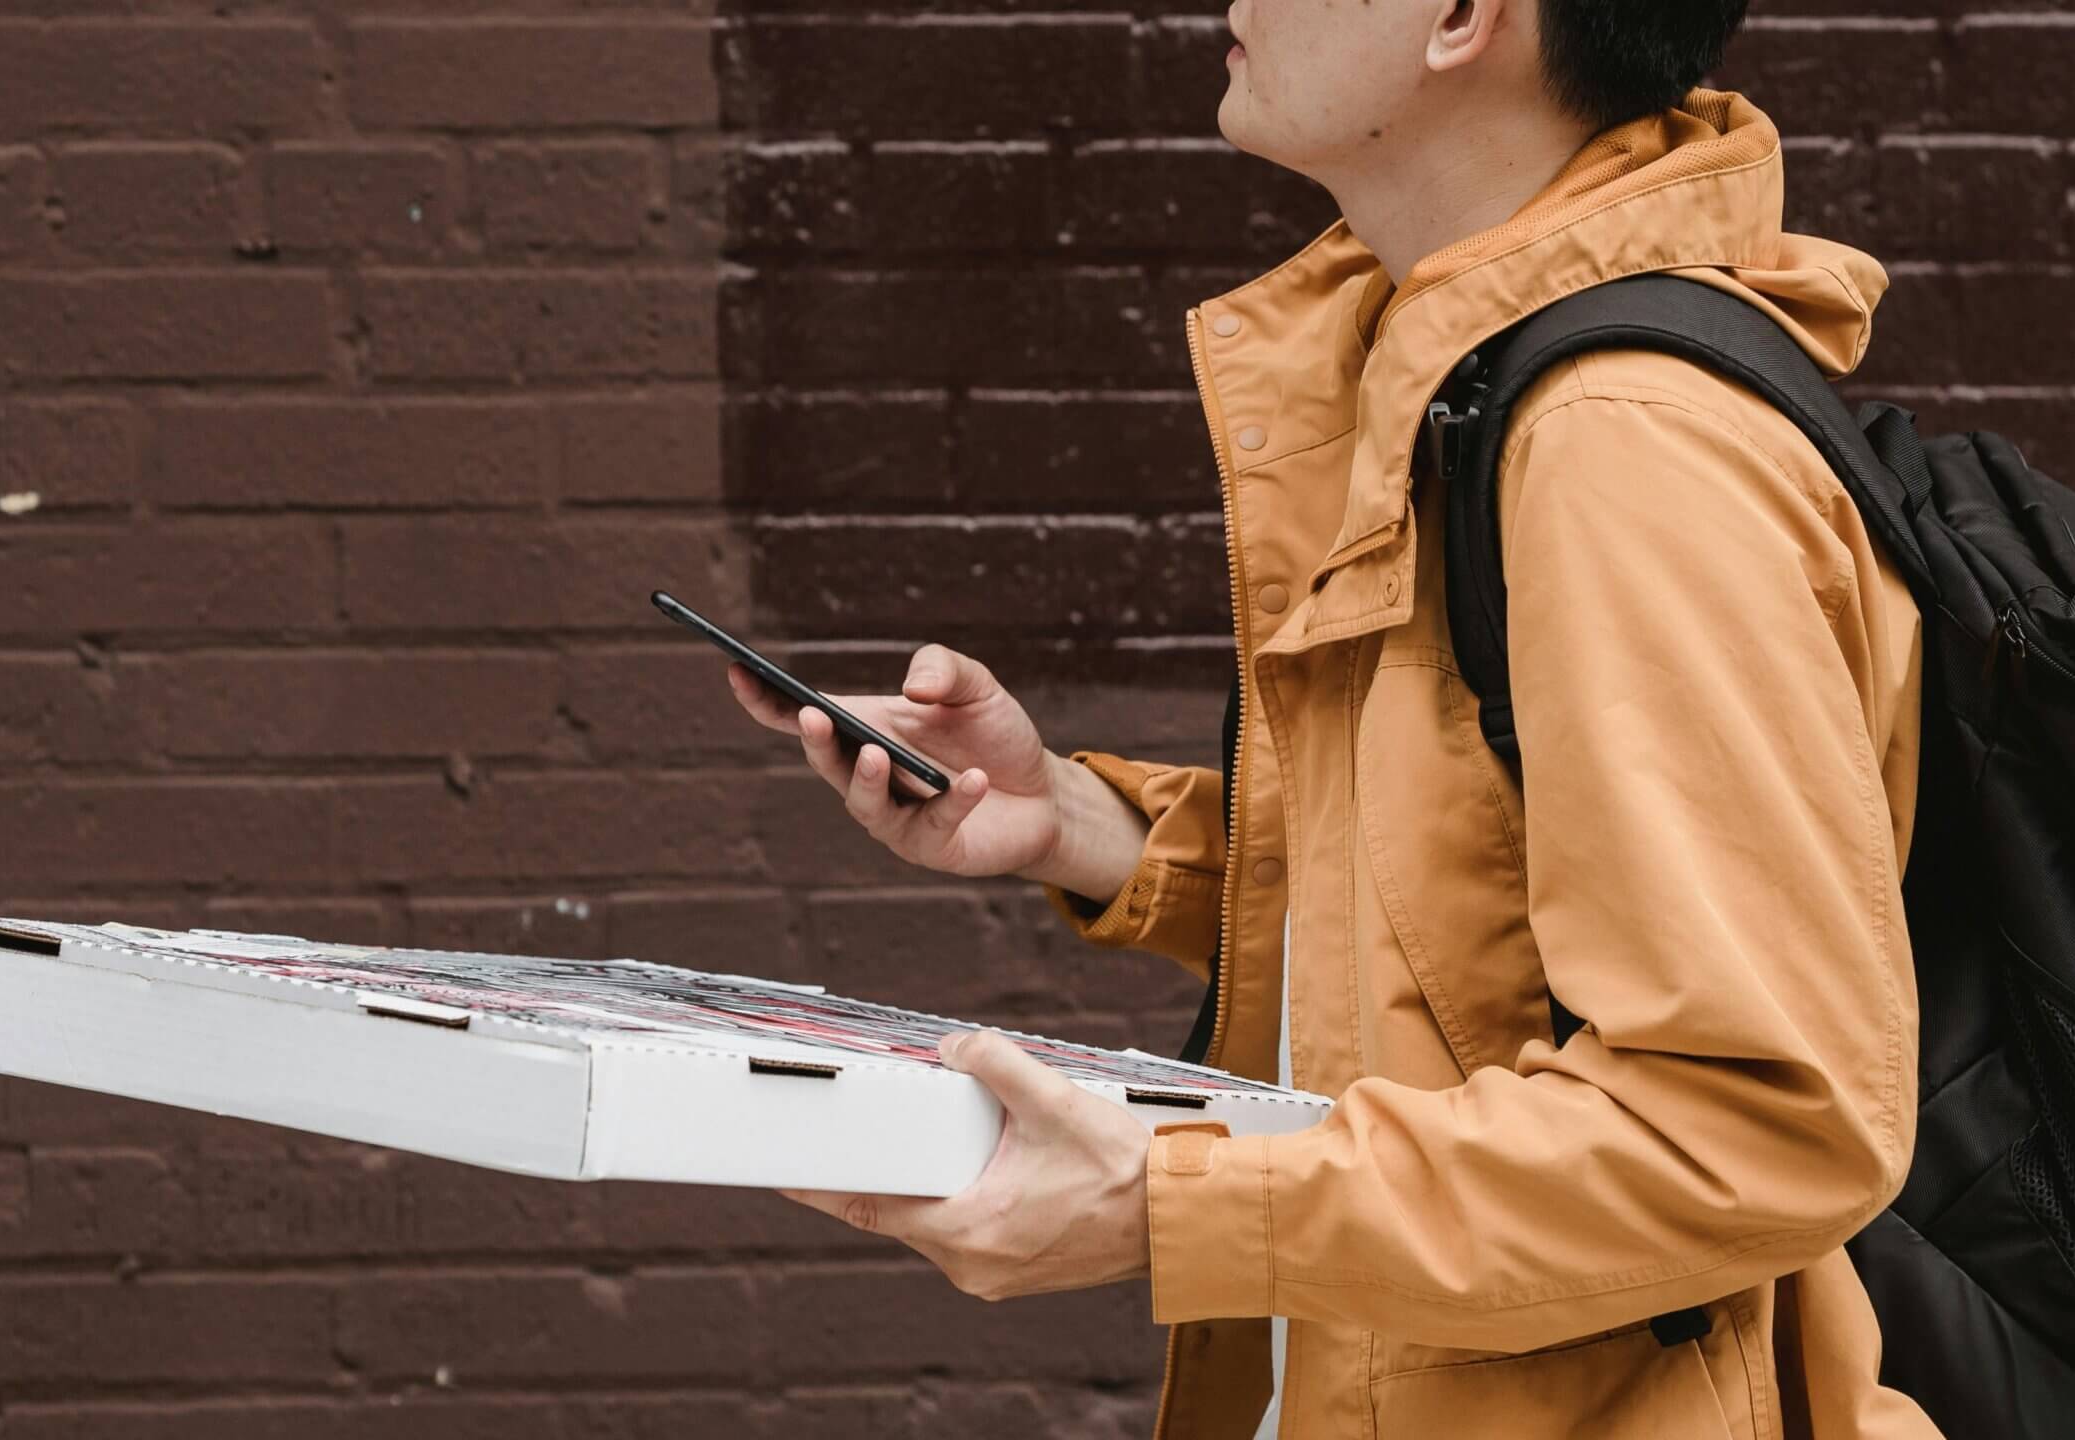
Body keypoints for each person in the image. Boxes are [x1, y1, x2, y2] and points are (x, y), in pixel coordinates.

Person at [729, 0, 1941, 1434]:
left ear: (1459, 19)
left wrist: (1172, 1207)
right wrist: (1094, 829)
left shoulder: (1620, 445)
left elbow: (1757, 1121)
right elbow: (1481, 918)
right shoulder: (1465, 379)